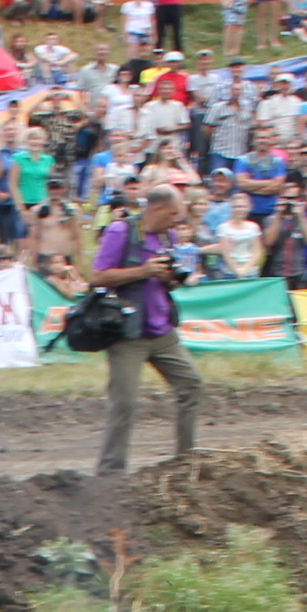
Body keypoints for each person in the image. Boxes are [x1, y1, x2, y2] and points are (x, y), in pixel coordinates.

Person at [86, 183, 198, 476]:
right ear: (157, 208)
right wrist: (144, 271)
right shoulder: (121, 232)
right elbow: (97, 276)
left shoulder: (168, 235)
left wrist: (171, 276)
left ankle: (186, 461)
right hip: (127, 333)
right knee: (124, 403)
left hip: (162, 331)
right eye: (173, 213)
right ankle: (111, 473)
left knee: (192, 384)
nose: (177, 220)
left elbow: (164, 278)